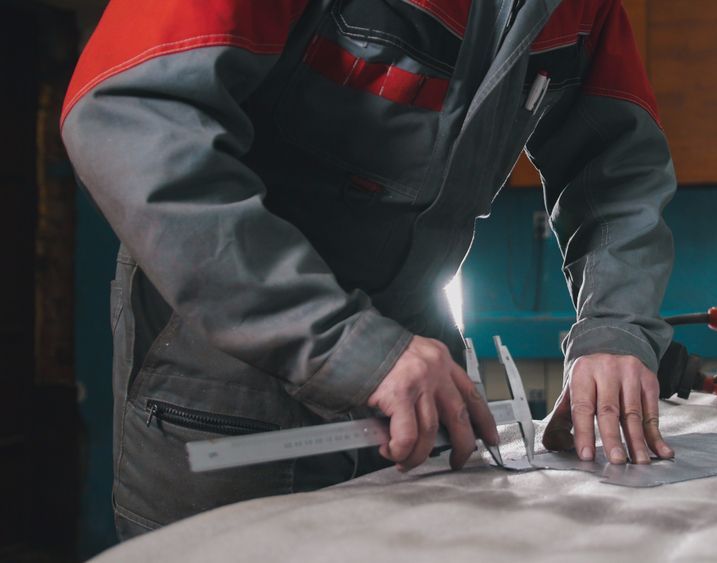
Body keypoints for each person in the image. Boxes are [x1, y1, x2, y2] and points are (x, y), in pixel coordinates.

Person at [62, 0, 677, 540]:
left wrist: (615, 327)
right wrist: (348, 346)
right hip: (224, 392)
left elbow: (617, 173)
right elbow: (128, 114)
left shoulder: (583, 7)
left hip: (421, 400)